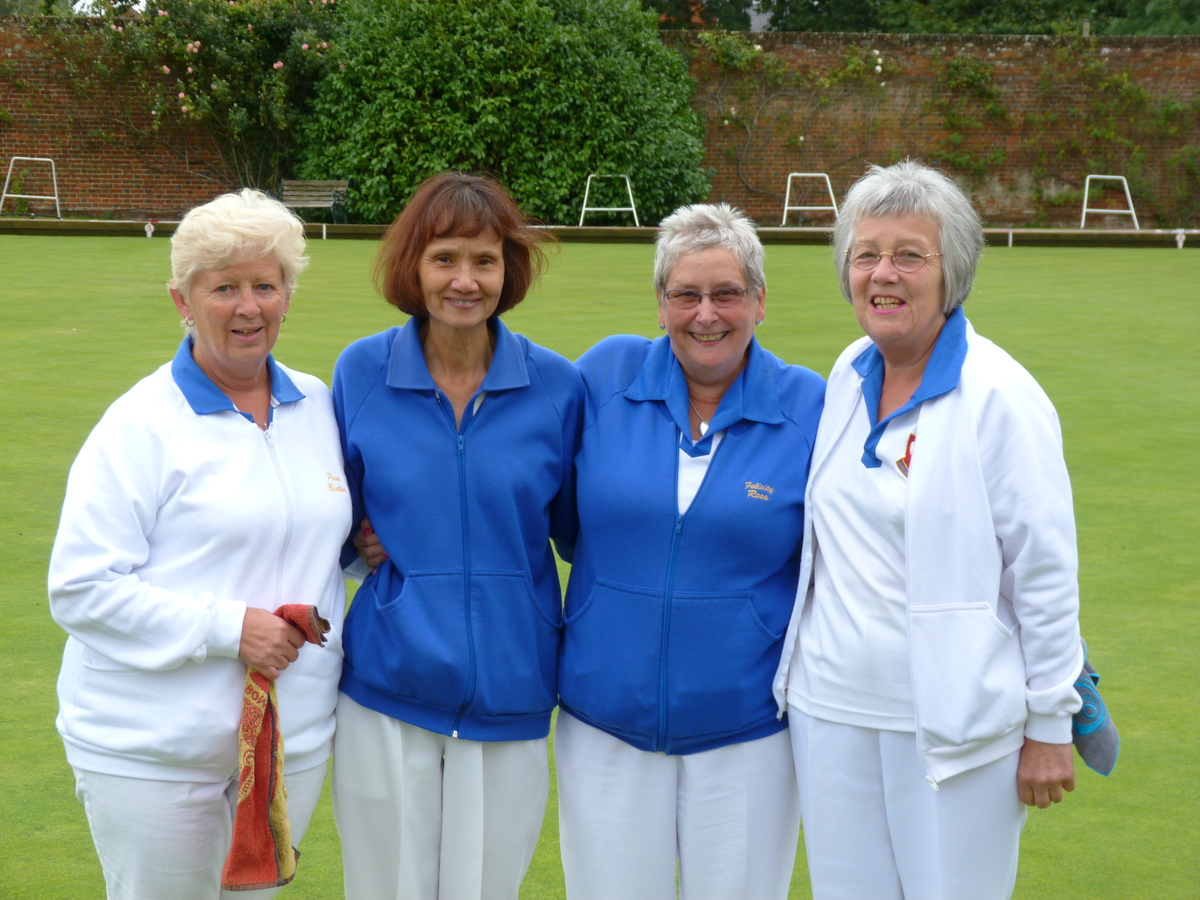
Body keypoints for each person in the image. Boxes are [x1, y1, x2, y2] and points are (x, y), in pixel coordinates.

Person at [773, 160, 1084, 900]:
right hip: (831, 711)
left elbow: (1043, 572)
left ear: (953, 273)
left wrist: (1051, 721)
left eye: (909, 255)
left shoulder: (1003, 397)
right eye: (866, 254)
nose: (885, 273)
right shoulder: (848, 371)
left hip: (955, 731)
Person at [48, 189, 351, 900]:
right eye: (224, 288)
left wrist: (362, 545)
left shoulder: (317, 404)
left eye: (265, 285)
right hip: (153, 754)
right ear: (183, 300)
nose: (249, 307)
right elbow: (81, 587)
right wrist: (228, 628)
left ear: (287, 293)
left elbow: (309, 537)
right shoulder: (140, 425)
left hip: (288, 745)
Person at [556, 203, 826, 899]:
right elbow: (530, 489)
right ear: (661, 303)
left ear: (760, 302)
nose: (706, 314)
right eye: (686, 294)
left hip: (746, 734)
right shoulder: (602, 378)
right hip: (603, 723)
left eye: (727, 293)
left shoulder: (811, 406)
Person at [331, 171, 584, 900]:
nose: (464, 281)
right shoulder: (361, 372)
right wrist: (358, 544)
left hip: (512, 684)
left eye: (484, 260)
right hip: (387, 685)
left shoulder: (558, 386)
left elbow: (576, 530)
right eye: (445, 258)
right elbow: (331, 508)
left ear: (510, 270)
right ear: (414, 264)